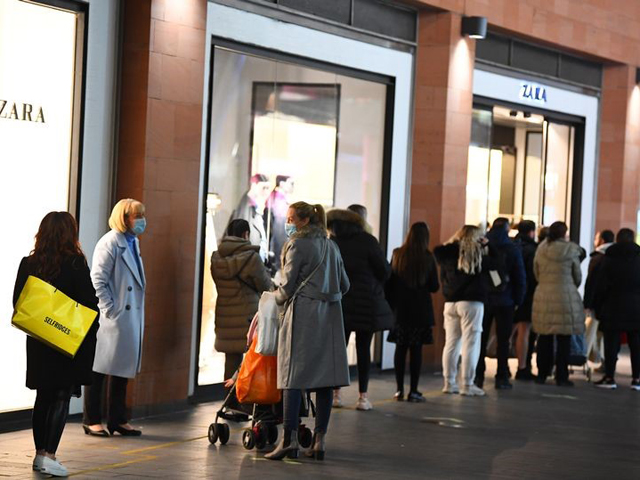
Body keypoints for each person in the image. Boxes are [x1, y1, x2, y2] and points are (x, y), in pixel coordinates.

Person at [13, 212, 99, 477]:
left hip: (39, 341)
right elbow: (89, 303)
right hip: (65, 341)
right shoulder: (75, 263)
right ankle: (50, 455)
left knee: (43, 397)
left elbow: (19, 302)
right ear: (69, 233)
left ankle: (40, 455)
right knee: (60, 397)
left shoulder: (29, 263)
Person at [265, 202, 350, 461]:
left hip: (302, 316)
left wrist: (273, 299)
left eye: (291, 218)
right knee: (324, 380)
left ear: (303, 221)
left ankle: (289, 441)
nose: (287, 222)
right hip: (331, 317)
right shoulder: (331, 246)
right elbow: (345, 284)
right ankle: (319, 440)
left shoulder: (297, 245)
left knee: (293, 377)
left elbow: (288, 286)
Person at [84, 199, 147, 437]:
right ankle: (91, 419)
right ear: (124, 218)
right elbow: (97, 280)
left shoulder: (132, 242)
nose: (141, 221)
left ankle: (118, 419)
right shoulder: (110, 243)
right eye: (136, 216)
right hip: (113, 318)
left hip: (127, 317)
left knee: (122, 369)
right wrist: (110, 309)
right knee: (99, 370)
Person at [327, 208, 393, 411]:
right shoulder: (368, 241)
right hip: (367, 303)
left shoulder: (332, 242)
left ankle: (336, 395)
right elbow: (384, 270)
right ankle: (362, 397)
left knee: (339, 349)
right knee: (364, 349)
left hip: (341, 302)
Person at [210, 219, 273, 382]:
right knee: (254, 359)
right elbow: (265, 287)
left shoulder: (216, 258)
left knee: (231, 360)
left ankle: (230, 401)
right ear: (246, 234)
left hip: (225, 314)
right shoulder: (251, 258)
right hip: (247, 315)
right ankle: (248, 399)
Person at [386, 222, 439, 403]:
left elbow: (390, 282)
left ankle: (399, 390)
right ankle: (414, 391)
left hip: (400, 310)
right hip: (420, 311)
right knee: (416, 351)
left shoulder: (397, 254)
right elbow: (434, 286)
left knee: (400, 349)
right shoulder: (428, 257)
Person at [434, 225, 490, 397]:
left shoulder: (447, 253)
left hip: (450, 302)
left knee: (451, 343)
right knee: (471, 343)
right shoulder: (477, 252)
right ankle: (467, 383)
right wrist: (489, 247)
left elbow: (443, 277)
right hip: (472, 303)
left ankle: (448, 383)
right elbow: (496, 268)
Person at [532, 221, 585, 387]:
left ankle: (542, 373)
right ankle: (561, 376)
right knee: (564, 339)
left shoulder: (541, 249)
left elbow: (536, 272)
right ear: (564, 233)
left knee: (544, 336)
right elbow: (577, 275)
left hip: (544, 295)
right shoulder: (571, 249)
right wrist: (569, 286)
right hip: (565, 296)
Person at [475, 218, 526, 390]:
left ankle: (478, 375)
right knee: (503, 340)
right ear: (507, 229)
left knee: (480, 338)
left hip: (482, 298)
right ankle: (502, 376)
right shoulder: (512, 248)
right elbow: (520, 276)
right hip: (506, 300)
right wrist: (518, 300)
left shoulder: (481, 245)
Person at [592, 228, 640, 390]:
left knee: (611, 344)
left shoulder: (609, 258)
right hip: (636, 308)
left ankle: (610, 376)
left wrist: (596, 306)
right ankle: (637, 379)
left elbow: (600, 285)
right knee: (636, 344)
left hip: (613, 306)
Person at [583, 229, 614, 368]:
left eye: (596, 238)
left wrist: (587, 304)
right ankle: (605, 362)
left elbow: (591, 283)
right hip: (614, 303)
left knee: (596, 333)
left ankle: (597, 359)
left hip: (599, 303)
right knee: (608, 334)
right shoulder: (619, 257)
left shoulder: (598, 257)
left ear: (601, 240)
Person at [513, 220, 538, 381]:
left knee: (507, 332)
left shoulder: (510, 245)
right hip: (527, 294)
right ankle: (523, 367)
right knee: (525, 330)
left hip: (507, 293)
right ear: (531, 232)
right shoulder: (533, 249)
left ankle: (503, 366)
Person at [229, 173, 271, 262]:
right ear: (254, 185)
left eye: (268, 188)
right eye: (264, 188)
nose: (266, 192)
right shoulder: (246, 207)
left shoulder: (254, 205)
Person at [265, 175, 294, 270]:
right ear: (282, 184)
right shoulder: (279, 200)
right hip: (278, 245)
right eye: (291, 183)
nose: (292, 186)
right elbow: (280, 228)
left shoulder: (277, 198)